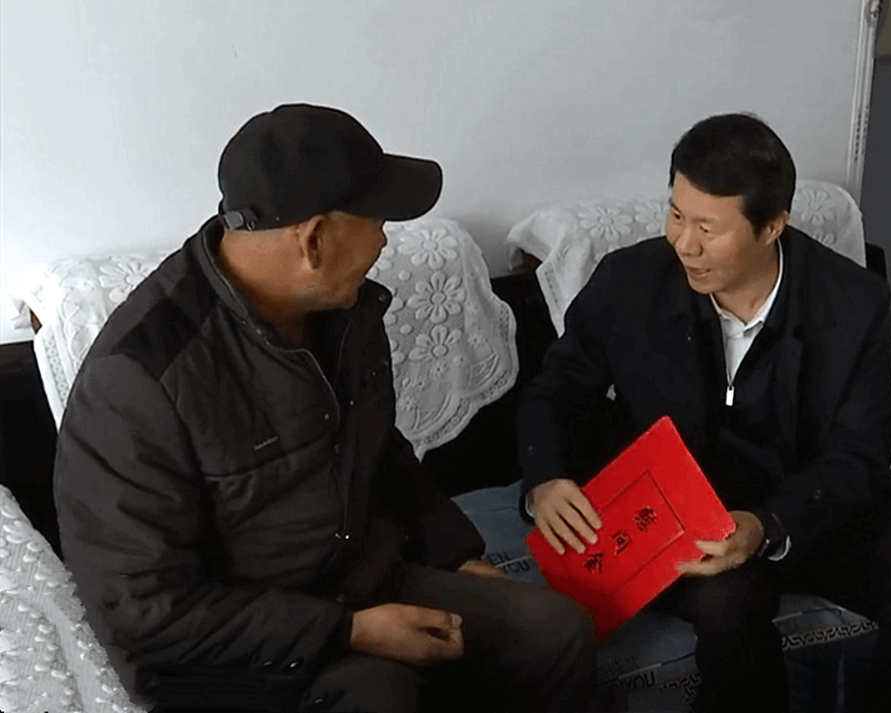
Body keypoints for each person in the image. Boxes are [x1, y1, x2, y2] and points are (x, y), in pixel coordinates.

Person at [53, 103, 597, 713]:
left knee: (554, 632)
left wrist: (456, 555)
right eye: (378, 222)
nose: (384, 241)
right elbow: (147, 613)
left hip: (363, 580)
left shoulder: (343, 307)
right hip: (237, 651)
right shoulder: (138, 380)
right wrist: (348, 631)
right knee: (384, 699)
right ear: (313, 239)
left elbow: (380, 449)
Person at [517, 113, 891, 713]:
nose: (684, 244)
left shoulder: (851, 301)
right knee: (728, 605)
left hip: (805, 495)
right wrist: (546, 478)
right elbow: (557, 390)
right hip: (684, 503)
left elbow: (861, 449)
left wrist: (767, 526)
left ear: (772, 226)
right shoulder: (630, 281)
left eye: (708, 228)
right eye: (676, 215)